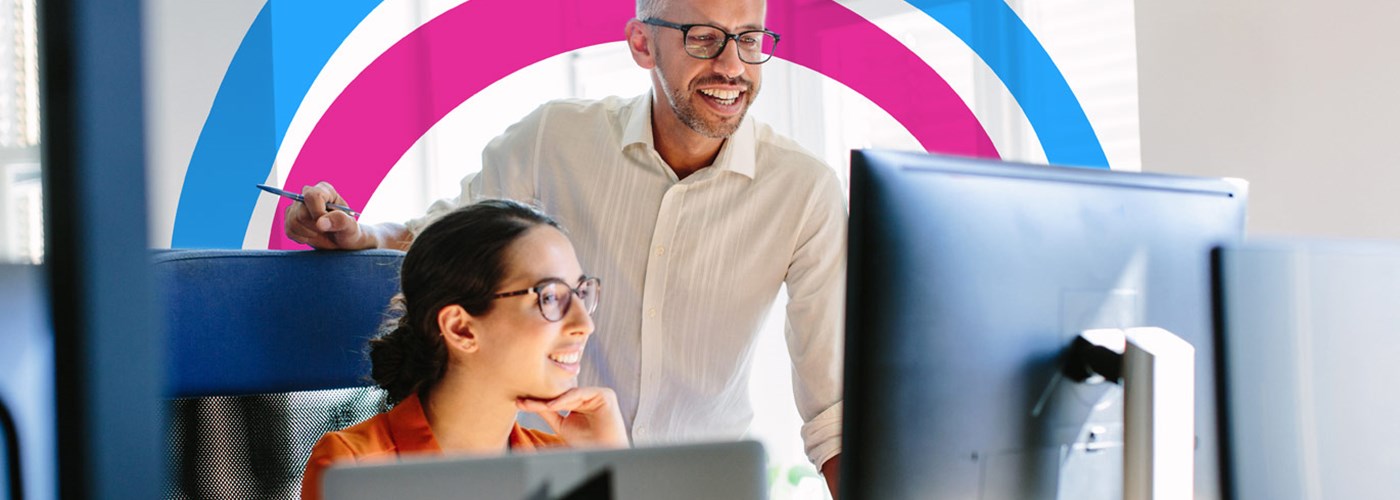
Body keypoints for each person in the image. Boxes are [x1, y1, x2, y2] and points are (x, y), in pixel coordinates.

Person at [286, 0, 845, 495]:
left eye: (750, 39)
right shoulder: (555, 139)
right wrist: (363, 237)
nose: (732, 65)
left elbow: (835, 412)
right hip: (559, 474)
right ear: (642, 43)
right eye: (703, 38)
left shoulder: (803, 190)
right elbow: (452, 235)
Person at [299, 200, 629, 500]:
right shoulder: (355, 469)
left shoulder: (562, 464)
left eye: (581, 293)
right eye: (550, 298)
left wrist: (614, 463)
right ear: (461, 328)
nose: (585, 324)